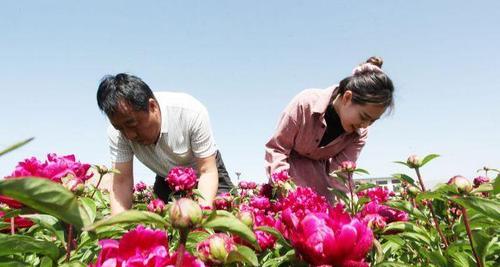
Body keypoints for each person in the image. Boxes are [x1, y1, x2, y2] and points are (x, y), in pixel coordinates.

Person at [97, 73, 233, 215]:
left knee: (223, 222)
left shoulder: (190, 112)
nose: (129, 135)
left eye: (132, 124)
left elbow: (207, 170)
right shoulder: (118, 133)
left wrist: (200, 219)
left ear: (152, 106)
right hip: (167, 177)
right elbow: (121, 181)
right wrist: (117, 230)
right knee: (165, 228)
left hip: (206, 171)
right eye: (120, 128)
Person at [265, 56, 395, 202]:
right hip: (288, 183)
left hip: (321, 188)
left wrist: (350, 204)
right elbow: (278, 148)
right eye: (364, 116)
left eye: (372, 121)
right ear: (347, 97)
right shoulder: (306, 103)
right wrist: (284, 187)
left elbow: (341, 173)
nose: (365, 125)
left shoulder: (360, 134)